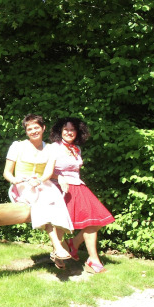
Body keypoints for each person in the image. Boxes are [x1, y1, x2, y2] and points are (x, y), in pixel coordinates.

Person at [3, 113, 74, 268]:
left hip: (42, 183)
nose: (33, 131)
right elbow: (7, 173)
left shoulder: (50, 149)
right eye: (29, 129)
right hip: (22, 186)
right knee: (41, 201)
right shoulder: (18, 146)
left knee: (58, 201)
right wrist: (15, 179)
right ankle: (58, 247)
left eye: (36, 127)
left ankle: (57, 251)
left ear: (43, 128)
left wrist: (40, 180)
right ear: (26, 131)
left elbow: (48, 172)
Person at [49, 117, 115, 273]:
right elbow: (43, 171)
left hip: (78, 186)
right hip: (60, 188)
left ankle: (76, 246)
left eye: (72, 129)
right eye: (66, 129)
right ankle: (60, 252)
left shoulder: (76, 148)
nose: (69, 132)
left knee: (96, 220)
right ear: (60, 131)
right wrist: (59, 177)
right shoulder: (53, 148)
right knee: (61, 222)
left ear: (77, 132)